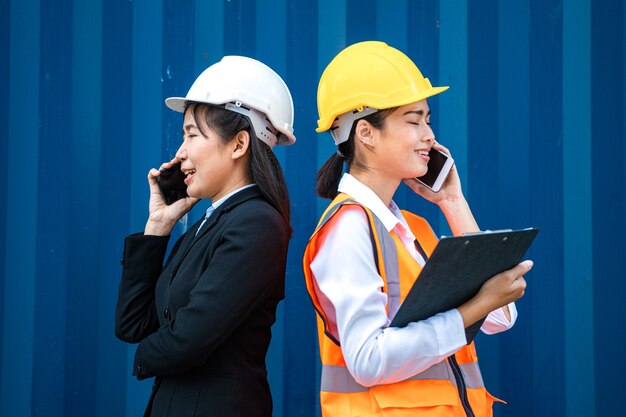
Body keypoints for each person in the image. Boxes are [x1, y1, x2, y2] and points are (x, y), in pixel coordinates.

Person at [302, 41, 533, 417]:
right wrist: (475, 306)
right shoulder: (348, 229)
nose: (429, 135)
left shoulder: (413, 229)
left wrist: (453, 203)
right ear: (366, 134)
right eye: (414, 120)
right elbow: (368, 361)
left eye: (427, 119)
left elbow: (498, 317)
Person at [115, 56, 295, 417]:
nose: (180, 153)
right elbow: (134, 323)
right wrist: (159, 227)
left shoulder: (256, 224)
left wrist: (143, 357)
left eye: (192, 135)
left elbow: (188, 340)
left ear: (239, 144)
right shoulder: (206, 225)